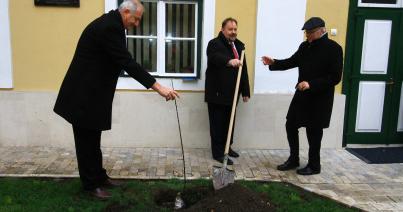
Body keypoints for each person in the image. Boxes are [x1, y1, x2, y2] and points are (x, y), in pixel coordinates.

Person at [53, 0, 179, 199]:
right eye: (136, 19)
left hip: (92, 93)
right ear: (126, 11)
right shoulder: (110, 27)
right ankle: (90, 185)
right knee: (86, 142)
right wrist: (158, 87)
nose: (136, 24)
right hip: (82, 95)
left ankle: (100, 177)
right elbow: (126, 61)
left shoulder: (113, 24)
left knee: (94, 138)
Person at [261, 17, 343, 175]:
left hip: (320, 99)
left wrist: (311, 84)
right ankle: (294, 159)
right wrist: (274, 63)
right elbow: (292, 61)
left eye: (310, 32)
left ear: (322, 31)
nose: (307, 35)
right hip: (302, 96)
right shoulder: (305, 47)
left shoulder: (334, 49)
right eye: (306, 32)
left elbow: (335, 77)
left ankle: (314, 165)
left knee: (314, 132)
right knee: (290, 124)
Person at [205, 17, 250, 165]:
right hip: (217, 93)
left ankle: (227, 147)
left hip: (232, 93)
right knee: (218, 123)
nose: (233, 32)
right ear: (223, 29)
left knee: (229, 122)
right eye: (230, 29)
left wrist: (245, 91)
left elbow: (244, 70)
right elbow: (214, 58)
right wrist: (229, 61)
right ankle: (218, 153)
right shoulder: (214, 44)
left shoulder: (239, 45)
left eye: (235, 29)